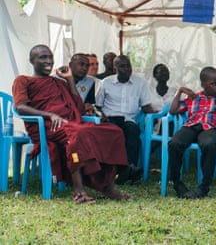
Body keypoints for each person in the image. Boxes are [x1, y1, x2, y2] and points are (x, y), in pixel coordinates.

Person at [12, 44, 129, 204]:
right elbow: (20, 107)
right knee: (78, 134)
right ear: (32, 60)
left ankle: (107, 186)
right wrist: (50, 115)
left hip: (71, 123)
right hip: (47, 126)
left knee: (114, 131)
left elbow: (78, 107)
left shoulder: (58, 82)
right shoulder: (23, 80)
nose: (48, 61)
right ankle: (79, 191)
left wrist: (69, 80)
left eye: (50, 57)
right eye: (42, 57)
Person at [168, 66, 216, 199]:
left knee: (209, 144)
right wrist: (180, 91)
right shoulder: (194, 97)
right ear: (203, 84)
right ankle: (177, 183)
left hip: (210, 128)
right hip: (191, 126)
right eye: (214, 84)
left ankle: (204, 186)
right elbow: (173, 110)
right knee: (174, 143)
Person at [95, 55, 155, 184]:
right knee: (113, 134)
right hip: (110, 118)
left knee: (132, 133)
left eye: (128, 66)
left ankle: (130, 169)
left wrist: (159, 114)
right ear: (115, 68)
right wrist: (101, 116)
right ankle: (111, 171)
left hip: (129, 120)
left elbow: (146, 106)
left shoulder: (140, 83)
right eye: (122, 66)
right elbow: (98, 107)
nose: (127, 69)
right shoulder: (105, 82)